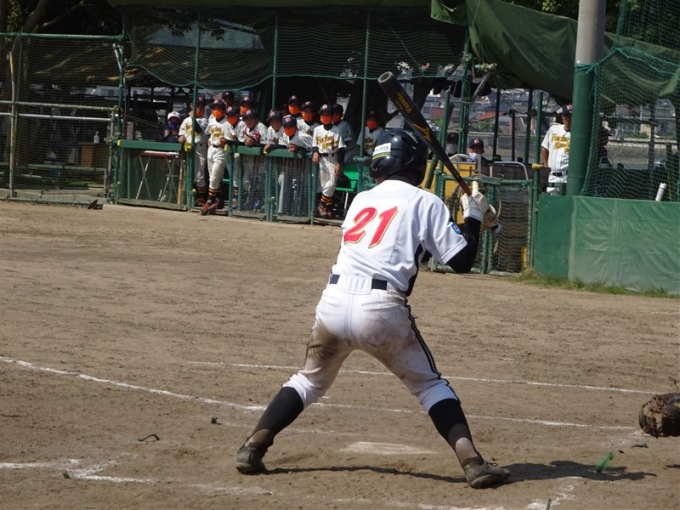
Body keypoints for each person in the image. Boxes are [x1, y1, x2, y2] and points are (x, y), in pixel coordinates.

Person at [235, 128, 509, 489]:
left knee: (308, 380)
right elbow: (461, 261)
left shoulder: (360, 200)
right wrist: (472, 215)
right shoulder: (425, 201)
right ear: (415, 165)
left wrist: (471, 221)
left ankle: (254, 444)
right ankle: (472, 461)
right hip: (381, 310)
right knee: (429, 386)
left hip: (333, 304)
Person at [312, 103, 346, 218]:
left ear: (332, 116)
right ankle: (328, 210)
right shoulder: (317, 129)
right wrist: (315, 152)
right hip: (322, 159)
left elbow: (341, 148)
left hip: (333, 158)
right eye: (323, 114)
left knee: (331, 184)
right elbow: (315, 144)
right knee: (323, 186)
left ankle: (321, 205)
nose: (325, 117)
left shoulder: (337, 130)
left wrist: (339, 163)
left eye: (327, 114)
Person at [178, 97, 209, 206]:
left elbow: (198, 129)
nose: (199, 108)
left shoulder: (205, 120)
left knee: (199, 174)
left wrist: (193, 117)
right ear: (192, 106)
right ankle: (187, 196)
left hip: (200, 147)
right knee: (187, 173)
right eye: (197, 105)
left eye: (201, 106)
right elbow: (181, 134)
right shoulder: (186, 120)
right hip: (188, 149)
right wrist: (181, 138)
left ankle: (201, 197)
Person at [202, 99, 229, 215]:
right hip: (211, 149)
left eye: (218, 108)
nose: (216, 110)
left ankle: (209, 200)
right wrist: (209, 140)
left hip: (221, 150)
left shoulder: (227, 122)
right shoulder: (211, 120)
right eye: (214, 108)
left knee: (214, 177)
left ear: (223, 110)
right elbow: (208, 133)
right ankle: (218, 199)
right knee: (213, 177)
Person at [541, 103, 572, 194]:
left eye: (571, 116)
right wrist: (546, 166)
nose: (568, 118)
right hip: (552, 176)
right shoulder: (554, 129)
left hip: (567, 176)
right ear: (562, 117)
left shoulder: (578, 134)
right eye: (566, 115)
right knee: (551, 200)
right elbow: (544, 148)